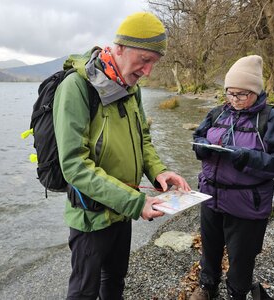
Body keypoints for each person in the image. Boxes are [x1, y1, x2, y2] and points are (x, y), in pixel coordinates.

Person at [53, 12, 191, 299]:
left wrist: (158, 171)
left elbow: (143, 140)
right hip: (91, 217)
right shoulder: (76, 87)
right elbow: (74, 165)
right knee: (83, 292)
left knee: (115, 281)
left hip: (123, 213)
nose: (148, 71)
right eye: (144, 59)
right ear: (119, 48)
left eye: (154, 62)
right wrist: (136, 202)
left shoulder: (131, 89)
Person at [190, 55, 274, 300]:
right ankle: (207, 287)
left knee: (241, 257)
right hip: (210, 197)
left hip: (246, 204)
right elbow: (198, 135)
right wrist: (200, 146)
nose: (234, 100)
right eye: (230, 93)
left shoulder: (271, 119)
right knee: (209, 249)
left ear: (255, 91)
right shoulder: (218, 113)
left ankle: (237, 293)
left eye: (242, 94)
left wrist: (251, 158)